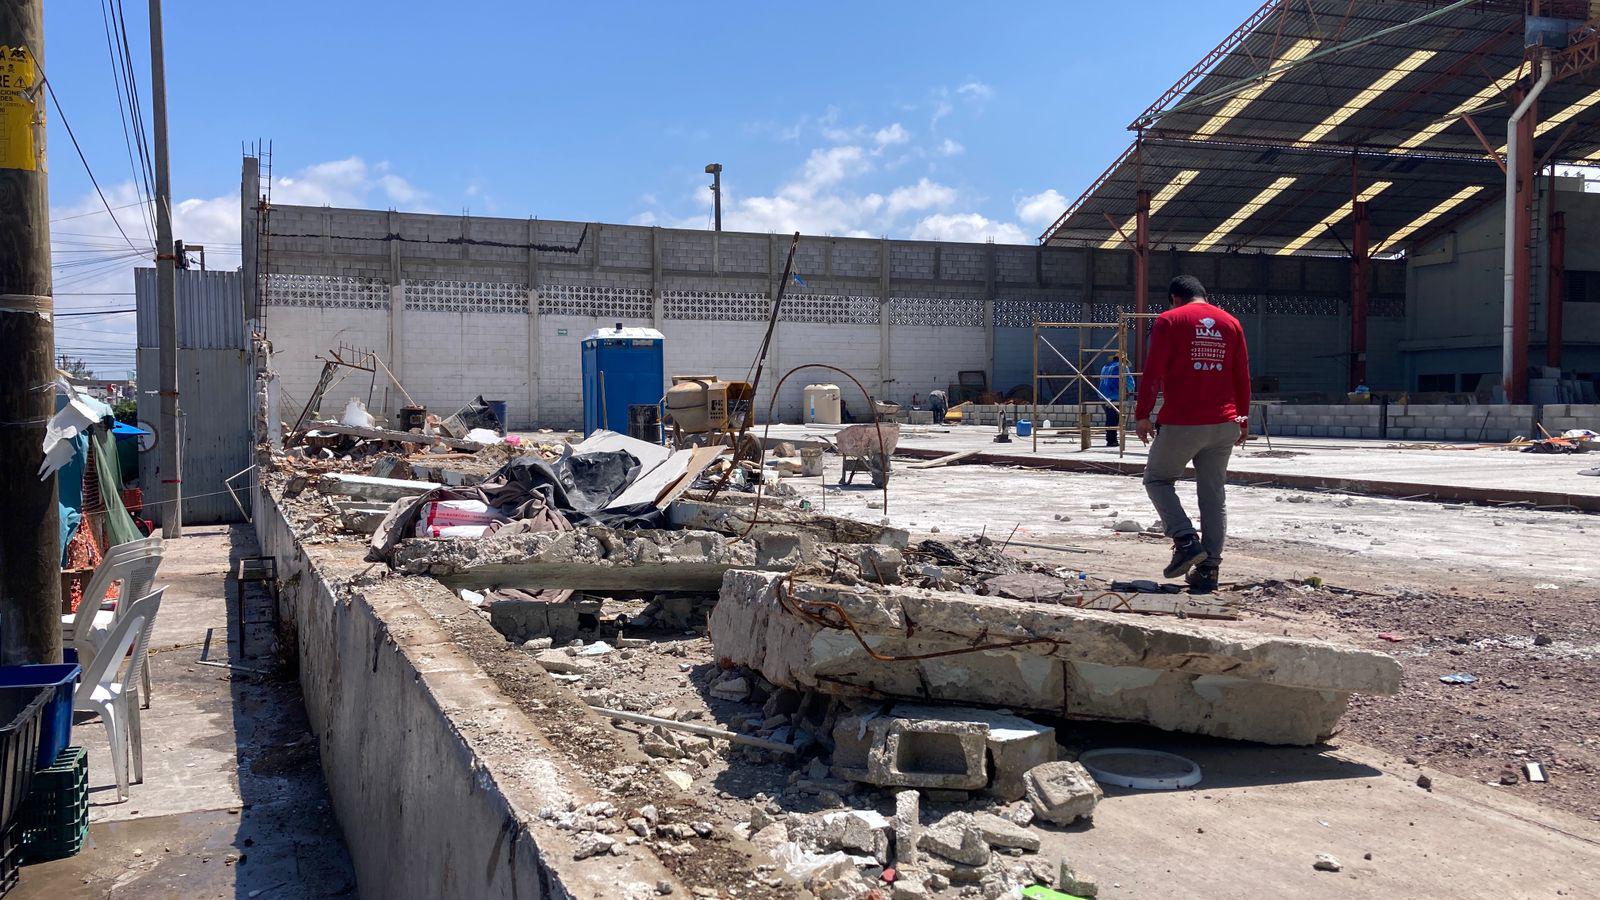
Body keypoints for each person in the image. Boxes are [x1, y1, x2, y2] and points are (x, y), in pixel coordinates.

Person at [1133, 275, 1252, 593]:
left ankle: (1185, 540)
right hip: (1225, 423)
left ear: (1175, 298)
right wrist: (1242, 419)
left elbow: (1154, 370)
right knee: (1213, 495)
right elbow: (1241, 375)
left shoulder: (1169, 320)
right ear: (1203, 296)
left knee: (1157, 479)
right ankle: (1209, 569)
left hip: (1184, 422)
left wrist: (1142, 414)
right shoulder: (1231, 323)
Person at [1096, 357, 1134, 447]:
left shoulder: (1105, 366)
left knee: (1110, 418)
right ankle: (1111, 440)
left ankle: (1111, 439)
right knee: (1114, 419)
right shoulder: (1122, 366)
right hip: (1114, 396)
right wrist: (1130, 392)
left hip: (1103, 396)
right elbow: (1130, 382)